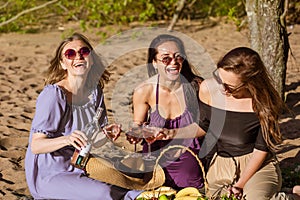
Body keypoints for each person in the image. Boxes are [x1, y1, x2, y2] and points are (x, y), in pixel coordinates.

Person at [24, 32, 141, 200]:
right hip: (52, 173)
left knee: (131, 179)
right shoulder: (54, 95)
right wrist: (67, 139)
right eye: (70, 54)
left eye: (84, 52)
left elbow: (93, 140)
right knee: (104, 193)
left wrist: (106, 134)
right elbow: (36, 145)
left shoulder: (95, 92)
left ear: (91, 59)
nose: (78, 56)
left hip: (85, 163)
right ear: (63, 64)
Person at [198, 46, 300, 200]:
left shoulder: (265, 104)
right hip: (221, 164)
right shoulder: (208, 88)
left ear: (249, 83)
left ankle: (292, 197)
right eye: (218, 78)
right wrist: (170, 133)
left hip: (256, 165)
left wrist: (240, 184)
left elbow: (261, 150)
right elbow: (203, 126)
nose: (220, 87)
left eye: (229, 86)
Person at [128, 34, 205, 190]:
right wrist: (135, 134)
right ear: (154, 63)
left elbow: (207, 126)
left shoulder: (197, 86)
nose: (174, 62)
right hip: (154, 154)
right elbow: (138, 125)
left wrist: (171, 133)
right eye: (166, 59)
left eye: (178, 57)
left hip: (189, 152)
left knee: (188, 184)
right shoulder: (144, 90)